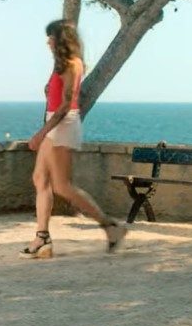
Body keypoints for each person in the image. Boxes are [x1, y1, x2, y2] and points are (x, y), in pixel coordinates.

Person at [19, 19, 126, 259]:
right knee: (40, 178)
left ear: (61, 39)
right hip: (55, 124)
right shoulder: (60, 64)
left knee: (62, 186)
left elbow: (66, 105)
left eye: (51, 37)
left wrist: (41, 133)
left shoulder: (72, 64)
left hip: (63, 126)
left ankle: (110, 226)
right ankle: (42, 237)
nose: (48, 41)